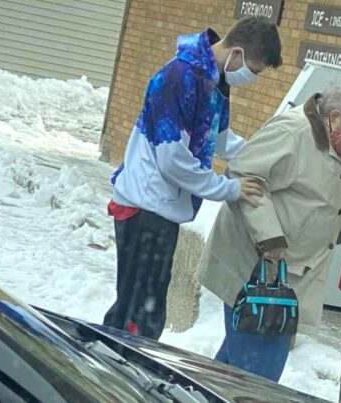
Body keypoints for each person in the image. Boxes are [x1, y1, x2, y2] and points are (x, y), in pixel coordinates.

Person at [103, 16, 283, 340]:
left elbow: (222, 140)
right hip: (146, 208)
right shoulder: (178, 77)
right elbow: (173, 160)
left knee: (144, 308)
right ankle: (112, 371)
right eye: (254, 70)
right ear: (237, 54)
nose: (252, 79)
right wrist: (229, 188)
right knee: (137, 314)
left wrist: (265, 158)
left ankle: (116, 363)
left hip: (162, 208)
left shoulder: (215, 82)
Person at [198, 85, 341, 381]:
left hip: (281, 277)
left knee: (233, 371)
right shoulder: (292, 132)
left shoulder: (334, 141)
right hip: (258, 274)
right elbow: (245, 175)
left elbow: (311, 194)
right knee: (256, 380)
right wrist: (269, 237)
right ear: (335, 118)